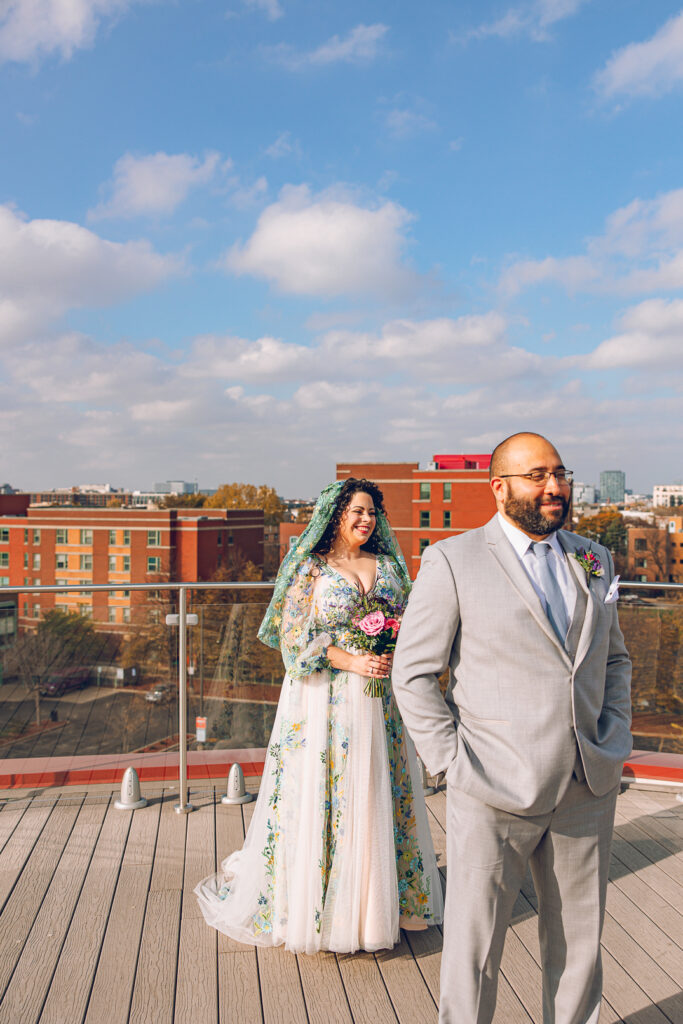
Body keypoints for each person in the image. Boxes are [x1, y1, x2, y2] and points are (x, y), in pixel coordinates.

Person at [391, 432, 632, 1024]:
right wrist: (452, 764)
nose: (555, 487)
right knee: (474, 953)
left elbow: (615, 660)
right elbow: (414, 674)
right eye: (537, 476)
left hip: (587, 786)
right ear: (499, 488)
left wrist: (613, 737)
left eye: (560, 474)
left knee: (579, 949)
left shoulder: (594, 558)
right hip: (491, 789)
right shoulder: (453, 561)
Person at [195, 478, 443, 954]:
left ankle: (377, 909)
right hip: (325, 698)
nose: (366, 520)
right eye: (356, 511)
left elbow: (410, 623)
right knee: (328, 789)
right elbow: (293, 642)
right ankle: (322, 908)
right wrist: (351, 660)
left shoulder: (390, 566)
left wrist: (391, 652)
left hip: (379, 699)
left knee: (377, 789)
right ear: (335, 515)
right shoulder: (310, 567)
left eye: (371, 512)